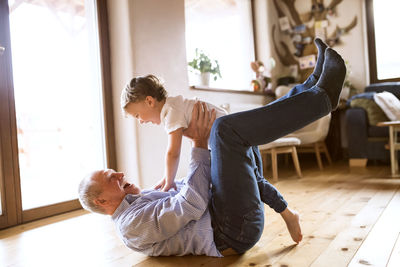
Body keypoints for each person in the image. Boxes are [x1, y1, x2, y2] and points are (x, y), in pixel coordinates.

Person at [78, 41, 346, 257]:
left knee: (232, 136)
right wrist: (198, 145)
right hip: (229, 233)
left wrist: (207, 162)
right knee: (224, 131)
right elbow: (192, 204)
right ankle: (321, 98)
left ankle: (313, 85)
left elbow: (192, 187)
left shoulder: (143, 198)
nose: (119, 174)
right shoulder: (131, 226)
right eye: (110, 177)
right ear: (101, 201)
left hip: (229, 213)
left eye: (114, 171)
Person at [120, 75, 227, 192]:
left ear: (149, 101)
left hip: (225, 132)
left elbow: (173, 153)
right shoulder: (174, 106)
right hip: (222, 133)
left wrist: (170, 182)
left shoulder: (171, 112)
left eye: (137, 116)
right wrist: (166, 177)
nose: (140, 121)